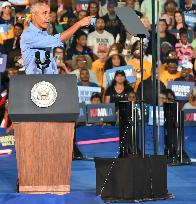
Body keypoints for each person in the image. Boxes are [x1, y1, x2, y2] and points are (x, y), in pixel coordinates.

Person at [20, 2, 91, 74]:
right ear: (34, 15)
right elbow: (58, 39)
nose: (48, 17)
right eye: (44, 13)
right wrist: (79, 23)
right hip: (33, 82)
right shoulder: (28, 34)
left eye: (48, 13)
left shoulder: (44, 34)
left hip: (49, 81)